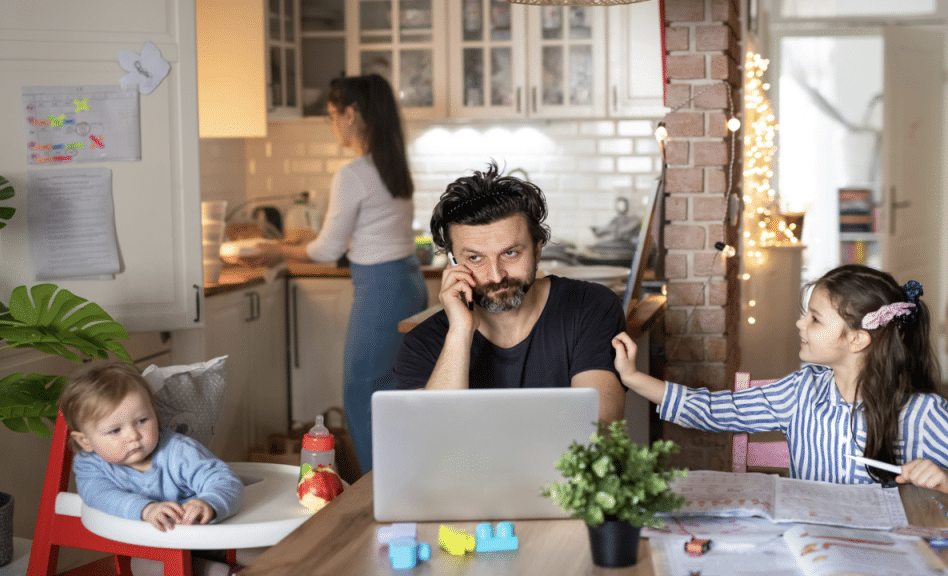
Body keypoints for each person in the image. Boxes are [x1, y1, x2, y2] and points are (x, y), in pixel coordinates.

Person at [612, 264, 948, 493]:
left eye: (814, 318)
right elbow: (714, 411)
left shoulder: (917, 413)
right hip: (808, 542)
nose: (799, 323)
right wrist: (632, 378)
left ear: (858, 339)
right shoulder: (800, 391)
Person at [248, 74, 428, 474]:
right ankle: (403, 481)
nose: (332, 126)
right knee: (396, 397)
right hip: (408, 282)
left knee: (363, 394)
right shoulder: (394, 167)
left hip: (380, 290)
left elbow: (328, 250)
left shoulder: (354, 173)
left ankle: (374, 496)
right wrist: (292, 249)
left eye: (332, 116)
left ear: (352, 115)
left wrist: (275, 250)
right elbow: (354, 238)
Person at [393, 162, 625, 424]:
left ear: (538, 250)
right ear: (453, 264)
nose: (496, 275)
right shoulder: (423, 344)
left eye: (510, 253)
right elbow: (431, 443)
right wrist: (460, 332)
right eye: (475, 258)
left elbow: (599, 428)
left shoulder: (590, 308)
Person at [59, 361, 244, 532]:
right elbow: (98, 495)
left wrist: (208, 503)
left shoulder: (177, 451)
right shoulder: (91, 464)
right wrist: (145, 509)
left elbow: (226, 482)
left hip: (198, 533)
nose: (133, 435)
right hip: (148, 543)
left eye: (141, 420)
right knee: (142, 567)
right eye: (115, 430)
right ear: (86, 442)